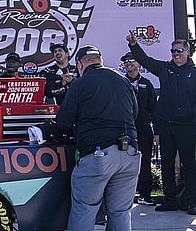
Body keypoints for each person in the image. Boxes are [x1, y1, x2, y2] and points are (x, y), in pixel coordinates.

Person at [55, 45, 140, 231]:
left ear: (79, 64)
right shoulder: (122, 79)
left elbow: (63, 121)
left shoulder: (81, 83)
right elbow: (135, 113)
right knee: (121, 211)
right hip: (130, 153)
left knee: (85, 208)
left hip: (98, 154)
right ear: (100, 60)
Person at [126, 33, 196, 214]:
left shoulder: (194, 72)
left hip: (188, 126)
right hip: (166, 125)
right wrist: (134, 45)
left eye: (179, 50)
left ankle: (193, 202)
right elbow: (144, 59)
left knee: (189, 165)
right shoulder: (165, 69)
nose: (175, 53)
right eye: (173, 51)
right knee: (166, 163)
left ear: (187, 52)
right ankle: (170, 200)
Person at [121, 51, 158, 206]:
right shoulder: (120, 82)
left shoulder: (147, 84)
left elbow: (154, 110)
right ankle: (123, 197)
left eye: (132, 60)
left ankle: (145, 195)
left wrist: (157, 132)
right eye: (126, 61)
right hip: (124, 129)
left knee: (144, 162)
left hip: (143, 129)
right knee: (122, 164)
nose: (129, 63)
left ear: (139, 64)